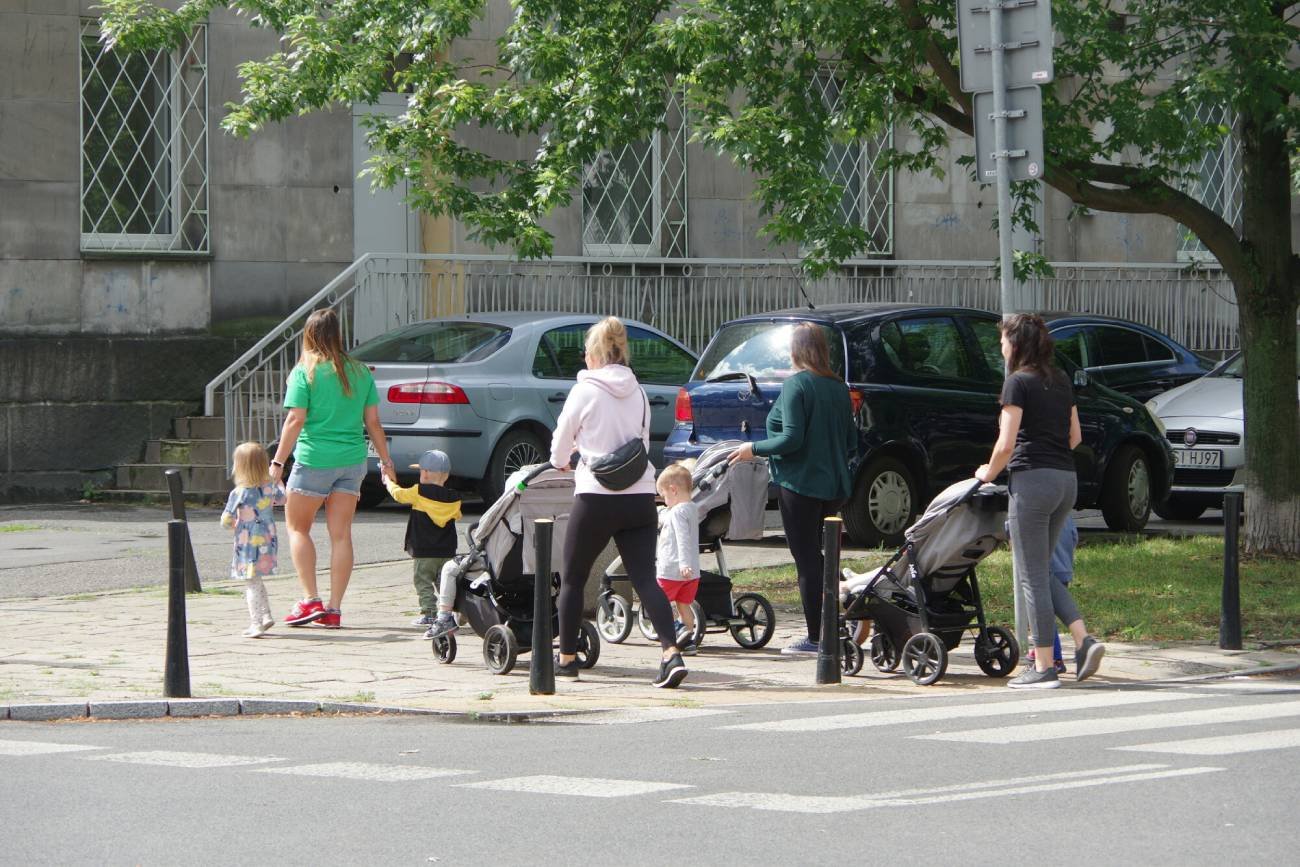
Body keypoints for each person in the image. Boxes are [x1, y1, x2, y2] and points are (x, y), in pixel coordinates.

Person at [550, 317, 687, 688]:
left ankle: (566, 658)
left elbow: (560, 445)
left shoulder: (585, 391)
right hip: (639, 495)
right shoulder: (639, 392)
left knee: (574, 579)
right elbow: (640, 444)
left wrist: (567, 458)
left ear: (594, 353)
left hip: (597, 496)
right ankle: (670, 652)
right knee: (645, 578)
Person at [976, 313, 1105, 689]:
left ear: (1015, 344)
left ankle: (1044, 665)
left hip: (1032, 484)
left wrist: (988, 472)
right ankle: (1083, 639)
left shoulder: (1017, 383)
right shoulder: (1060, 380)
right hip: (1066, 481)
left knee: (1030, 575)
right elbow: (1075, 436)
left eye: (1003, 340)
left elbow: (1006, 443)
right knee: (1043, 572)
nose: (1000, 347)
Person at [729, 322, 857, 655]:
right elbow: (851, 441)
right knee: (822, 557)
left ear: (796, 350)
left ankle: (817, 638)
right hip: (835, 486)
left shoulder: (795, 386)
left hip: (800, 485)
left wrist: (752, 449)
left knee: (806, 561)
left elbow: (791, 439)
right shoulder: (839, 388)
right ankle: (841, 617)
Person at [269, 308, 395, 629]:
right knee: (341, 535)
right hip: (352, 461)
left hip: (314, 460)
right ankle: (334, 609)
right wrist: (386, 461)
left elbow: (295, 419)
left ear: (308, 335)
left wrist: (278, 463)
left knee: (298, 528)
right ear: (338, 335)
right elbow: (373, 423)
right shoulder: (361, 372)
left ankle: (310, 599)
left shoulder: (304, 372)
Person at [382, 449, 462, 635]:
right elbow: (457, 515)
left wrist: (388, 482)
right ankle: (450, 611)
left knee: (423, 581)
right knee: (444, 582)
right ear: (446, 475)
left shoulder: (419, 491)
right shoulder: (454, 497)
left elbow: (399, 495)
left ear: (424, 473)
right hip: (447, 550)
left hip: (424, 549)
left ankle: (429, 613)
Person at [220, 441, 287, 638]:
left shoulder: (239, 492)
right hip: (267, 539)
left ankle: (255, 623)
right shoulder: (269, 487)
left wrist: (231, 524)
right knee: (256, 579)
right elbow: (283, 500)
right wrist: (279, 482)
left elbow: (226, 519)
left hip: (247, 542)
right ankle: (266, 615)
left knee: (251, 582)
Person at [655, 463, 701, 656]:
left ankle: (675, 629)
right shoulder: (691, 508)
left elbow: (682, 538)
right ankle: (688, 640)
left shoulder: (677, 512)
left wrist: (683, 563)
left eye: (664, 496)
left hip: (673, 569)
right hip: (692, 574)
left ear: (673, 490)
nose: (664, 501)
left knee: (658, 602)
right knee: (684, 606)